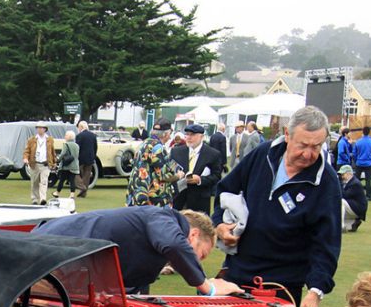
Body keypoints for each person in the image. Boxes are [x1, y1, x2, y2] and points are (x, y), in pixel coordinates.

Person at [215, 105, 342, 307]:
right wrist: (219, 224)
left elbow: (327, 244)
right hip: (236, 276)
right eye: (303, 145)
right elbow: (226, 189)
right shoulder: (262, 155)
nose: (308, 154)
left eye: (316, 146)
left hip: (282, 287)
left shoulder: (326, 182)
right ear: (287, 135)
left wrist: (315, 291)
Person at [35, 206, 239, 297]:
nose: (198, 261)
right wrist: (208, 287)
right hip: (51, 254)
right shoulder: (163, 217)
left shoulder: (152, 252)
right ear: (193, 235)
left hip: (62, 263)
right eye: (201, 254)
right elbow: (174, 245)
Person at [169, 123, 222, 216]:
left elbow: (216, 176)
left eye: (192, 135)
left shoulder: (213, 154)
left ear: (201, 137)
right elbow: (170, 170)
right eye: (187, 134)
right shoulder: (176, 151)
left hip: (200, 200)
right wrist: (177, 176)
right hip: (179, 198)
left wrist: (200, 180)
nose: (189, 137)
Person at [127, 120, 180, 207]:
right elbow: (163, 175)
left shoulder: (143, 144)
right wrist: (179, 175)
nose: (170, 137)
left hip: (136, 193)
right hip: (152, 198)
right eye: (170, 134)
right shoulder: (158, 147)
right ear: (165, 134)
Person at [23, 123, 57, 205]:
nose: (39, 129)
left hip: (45, 164)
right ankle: (34, 199)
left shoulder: (49, 140)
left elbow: (52, 152)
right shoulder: (32, 139)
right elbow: (27, 151)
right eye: (38, 128)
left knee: (44, 182)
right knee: (34, 182)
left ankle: (43, 199)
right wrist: (25, 158)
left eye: (41, 128)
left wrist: (54, 162)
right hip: (35, 164)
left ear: (45, 129)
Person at [338, 164, 368, 232]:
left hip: (358, 208)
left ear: (349, 174)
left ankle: (341, 226)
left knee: (341, 202)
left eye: (343, 174)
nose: (341, 176)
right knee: (349, 227)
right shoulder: (349, 182)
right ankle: (353, 223)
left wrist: (339, 184)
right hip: (353, 205)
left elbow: (344, 195)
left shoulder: (355, 183)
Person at [52, 130, 80, 199]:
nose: (65, 136)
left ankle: (57, 192)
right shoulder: (77, 145)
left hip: (66, 166)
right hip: (75, 166)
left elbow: (62, 154)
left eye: (66, 135)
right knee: (72, 181)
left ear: (69, 137)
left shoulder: (66, 144)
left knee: (62, 180)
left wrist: (58, 160)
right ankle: (72, 194)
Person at [352, 125, 371, 196]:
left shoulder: (358, 142)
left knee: (356, 180)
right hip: (368, 163)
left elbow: (354, 153)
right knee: (368, 180)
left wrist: (356, 160)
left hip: (359, 162)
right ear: (369, 132)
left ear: (362, 132)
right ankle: (368, 195)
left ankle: (355, 194)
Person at [75, 120, 99, 197]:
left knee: (75, 173)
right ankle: (83, 193)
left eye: (78, 127)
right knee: (87, 175)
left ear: (81, 127)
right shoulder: (93, 135)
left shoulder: (79, 136)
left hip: (81, 158)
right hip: (90, 158)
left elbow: (77, 148)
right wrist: (93, 156)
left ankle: (82, 187)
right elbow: (95, 147)